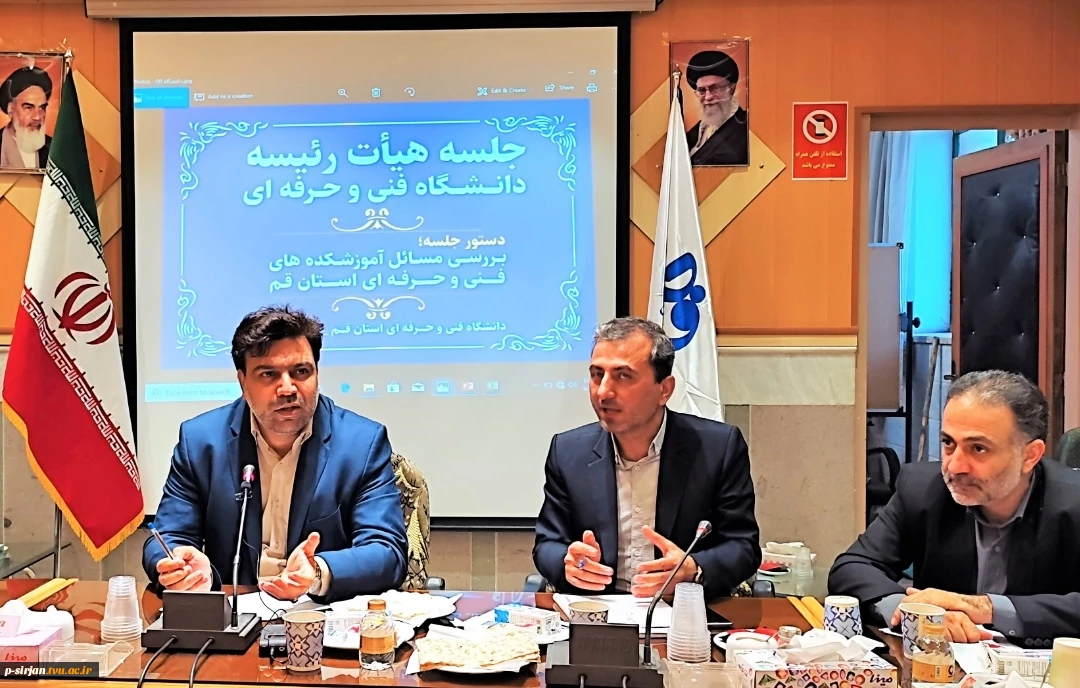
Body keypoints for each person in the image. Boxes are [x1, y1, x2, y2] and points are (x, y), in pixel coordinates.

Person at [143, 306, 408, 602]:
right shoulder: (201, 442)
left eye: (301, 372)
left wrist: (317, 571)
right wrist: (179, 564)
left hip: (318, 616)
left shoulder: (361, 443)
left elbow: (387, 552)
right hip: (231, 613)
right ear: (243, 382)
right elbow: (166, 537)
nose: (287, 388)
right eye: (269, 374)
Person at [829, 370, 1080, 645]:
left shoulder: (1073, 502)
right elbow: (852, 567)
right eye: (948, 443)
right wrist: (910, 611)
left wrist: (987, 608)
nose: (954, 466)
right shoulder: (923, 489)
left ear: (1030, 456)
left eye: (978, 448)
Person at [533, 317, 760, 599]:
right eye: (597, 375)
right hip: (597, 609)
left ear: (664, 389)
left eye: (623, 376)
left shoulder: (717, 449)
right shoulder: (568, 452)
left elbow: (743, 546)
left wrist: (693, 569)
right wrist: (568, 563)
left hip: (683, 608)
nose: (603, 391)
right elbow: (547, 543)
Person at [683, 49, 748, 167]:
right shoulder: (694, 132)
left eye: (715, 88)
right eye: (702, 90)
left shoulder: (746, 129)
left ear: (731, 89)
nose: (708, 97)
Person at [0, 65, 52, 170]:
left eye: (42, 108)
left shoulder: (55, 148)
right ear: (11, 109)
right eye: (29, 108)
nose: (37, 117)